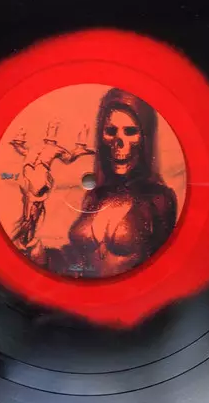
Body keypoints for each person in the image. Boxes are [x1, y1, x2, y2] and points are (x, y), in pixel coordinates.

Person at [13, 88, 178, 279]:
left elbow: (165, 267)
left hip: (131, 296)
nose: (119, 142)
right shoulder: (95, 197)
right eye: (111, 131)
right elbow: (79, 263)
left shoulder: (160, 200)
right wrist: (45, 257)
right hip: (84, 296)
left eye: (130, 132)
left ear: (145, 139)